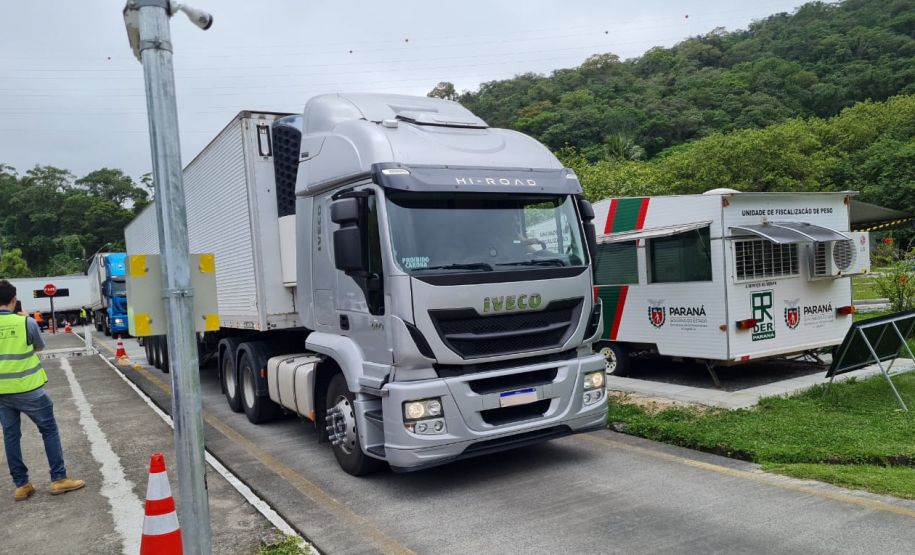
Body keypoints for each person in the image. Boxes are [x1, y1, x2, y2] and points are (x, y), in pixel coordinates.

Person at [0, 280, 84, 501]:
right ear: (14, 300)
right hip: (29, 389)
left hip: (2, 392)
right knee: (49, 430)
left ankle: (22, 485)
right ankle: (58, 479)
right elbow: (38, 347)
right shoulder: (25, 322)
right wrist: (25, 319)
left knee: (11, 436)